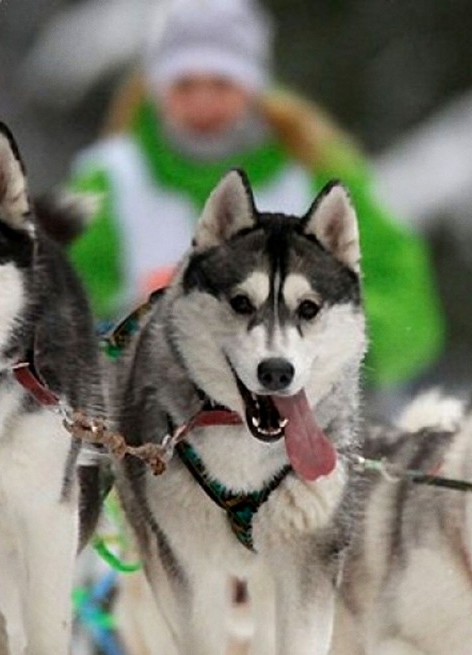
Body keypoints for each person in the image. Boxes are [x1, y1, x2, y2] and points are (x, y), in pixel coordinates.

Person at [66, 0, 444, 388]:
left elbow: (404, 297)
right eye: (185, 84)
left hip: (299, 389)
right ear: (157, 88)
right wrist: (128, 323)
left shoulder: (315, 167)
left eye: (221, 83)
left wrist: (332, 341)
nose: (203, 102)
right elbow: (63, 298)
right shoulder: (114, 179)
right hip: (149, 392)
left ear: (252, 86)